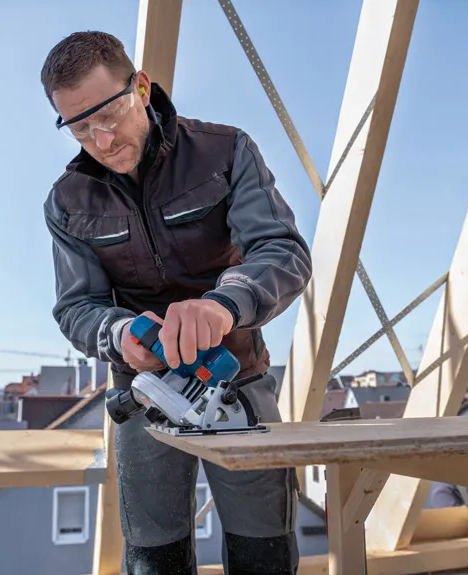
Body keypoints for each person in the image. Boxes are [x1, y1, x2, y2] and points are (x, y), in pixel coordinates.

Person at [40, 31, 312, 575]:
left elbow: (281, 251)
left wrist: (223, 305)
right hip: (144, 393)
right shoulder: (67, 202)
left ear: (141, 88)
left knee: (265, 551)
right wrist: (119, 334)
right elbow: (76, 308)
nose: (102, 140)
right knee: (153, 557)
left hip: (238, 380)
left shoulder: (225, 151)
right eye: (80, 127)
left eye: (109, 114)